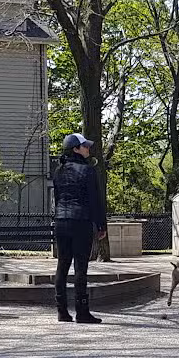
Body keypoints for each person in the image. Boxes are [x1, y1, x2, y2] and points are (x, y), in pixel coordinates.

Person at [51, 132, 108, 323]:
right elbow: (95, 201)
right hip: (81, 221)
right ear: (76, 149)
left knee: (62, 265)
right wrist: (101, 225)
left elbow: (57, 198)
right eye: (85, 146)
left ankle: (61, 310)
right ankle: (82, 311)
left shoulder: (58, 171)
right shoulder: (88, 171)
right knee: (80, 267)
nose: (88, 148)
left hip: (61, 220)